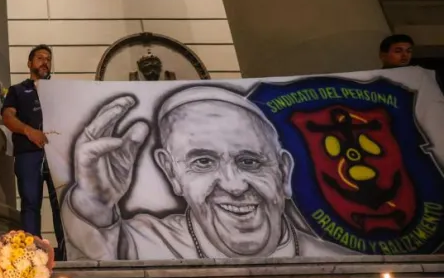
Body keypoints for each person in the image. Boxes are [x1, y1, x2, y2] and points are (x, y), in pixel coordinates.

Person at [62, 85, 353, 260]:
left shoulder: (338, 262)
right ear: (172, 173)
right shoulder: (144, 243)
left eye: (249, 162)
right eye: (203, 162)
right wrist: (94, 202)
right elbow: (98, 253)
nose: (235, 186)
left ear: (284, 172)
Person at [2, 44, 66, 259]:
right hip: (28, 154)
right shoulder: (17, 90)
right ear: (30, 63)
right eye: (39, 58)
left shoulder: (59, 92)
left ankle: (67, 252)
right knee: (30, 203)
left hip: (57, 155)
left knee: (62, 205)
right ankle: (33, 255)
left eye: (48, 58)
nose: (45, 61)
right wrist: (29, 131)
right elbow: (8, 117)